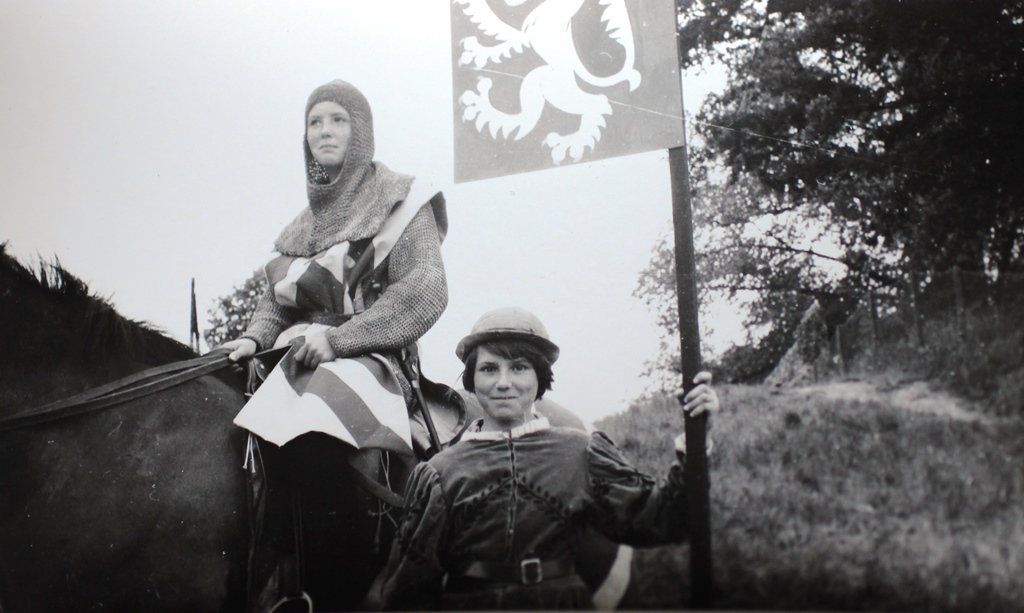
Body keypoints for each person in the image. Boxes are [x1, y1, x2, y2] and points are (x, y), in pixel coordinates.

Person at [216, 78, 449, 611]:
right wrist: (253, 338)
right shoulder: (298, 229)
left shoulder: (402, 204)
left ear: (360, 131)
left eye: (337, 120)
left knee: (316, 418)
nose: (325, 130)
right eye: (315, 122)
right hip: (297, 352)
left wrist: (342, 339)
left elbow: (425, 288)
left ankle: (333, 586)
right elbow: (277, 304)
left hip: (372, 354)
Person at [373, 306, 720, 610]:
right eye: (489, 369)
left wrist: (696, 440)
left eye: (519, 367)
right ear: (472, 380)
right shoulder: (440, 473)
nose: (503, 383)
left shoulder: (580, 452)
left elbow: (661, 519)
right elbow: (408, 591)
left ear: (540, 378)